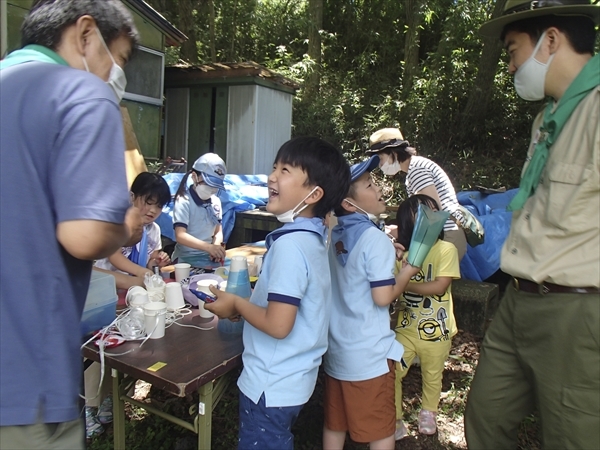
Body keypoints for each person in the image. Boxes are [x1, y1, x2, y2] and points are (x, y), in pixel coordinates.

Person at [0, 1, 140, 449]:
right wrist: (125, 227)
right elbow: (85, 236)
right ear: (85, 34)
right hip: (23, 373)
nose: (112, 77)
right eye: (115, 61)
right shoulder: (79, 92)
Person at [465, 1, 600, 449]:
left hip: (575, 310)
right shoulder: (548, 120)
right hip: (517, 300)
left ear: (552, 41)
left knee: (573, 436)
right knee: (486, 417)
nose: (509, 67)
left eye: (513, 51)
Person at [205, 137, 351, 450]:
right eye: (274, 167)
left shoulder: (290, 247)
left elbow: (278, 325)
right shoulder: (314, 241)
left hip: (269, 384)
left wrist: (237, 304)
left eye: (285, 170)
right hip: (293, 379)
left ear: (314, 194)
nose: (272, 176)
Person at [322, 156, 420, 450]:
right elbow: (382, 297)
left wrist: (390, 257)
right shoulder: (375, 240)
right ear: (351, 204)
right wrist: (406, 272)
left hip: (337, 351)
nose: (378, 188)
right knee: (380, 430)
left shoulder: (333, 234)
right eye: (368, 184)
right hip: (369, 357)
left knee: (334, 424)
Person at [391, 194, 460, 439]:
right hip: (405, 329)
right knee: (394, 373)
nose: (431, 220)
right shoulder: (401, 255)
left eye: (434, 213)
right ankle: (396, 417)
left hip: (438, 331)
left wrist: (404, 284)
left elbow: (440, 286)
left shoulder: (446, 249)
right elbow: (388, 287)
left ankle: (428, 412)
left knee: (433, 375)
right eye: (422, 215)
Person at [366, 128, 468, 261]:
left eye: (380, 159)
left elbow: (431, 215)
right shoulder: (416, 168)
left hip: (446, 235)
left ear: (394, 152)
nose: (380, 165)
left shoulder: (417, 170)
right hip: (445, 233)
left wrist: (400, 232)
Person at [94, 172, 172, 290]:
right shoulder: (119, 223)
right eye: (148, 202)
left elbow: (151, 261)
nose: (153, 210)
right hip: (107, 286)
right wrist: (140, 271)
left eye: (159, 206)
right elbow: (114, 256)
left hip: (136, 287)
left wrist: (158, 261)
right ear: (132, 197)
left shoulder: (154, 229)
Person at [171, 152, 227, 268]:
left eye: (215, 185)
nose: (212, 189)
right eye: (208, 183)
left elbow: (218, 231)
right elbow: (180, 235)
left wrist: (216, 247)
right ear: (194, 177)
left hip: (207, 257)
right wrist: (208, 247)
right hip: (185, 259)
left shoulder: (215, 202)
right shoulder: (184, 200)